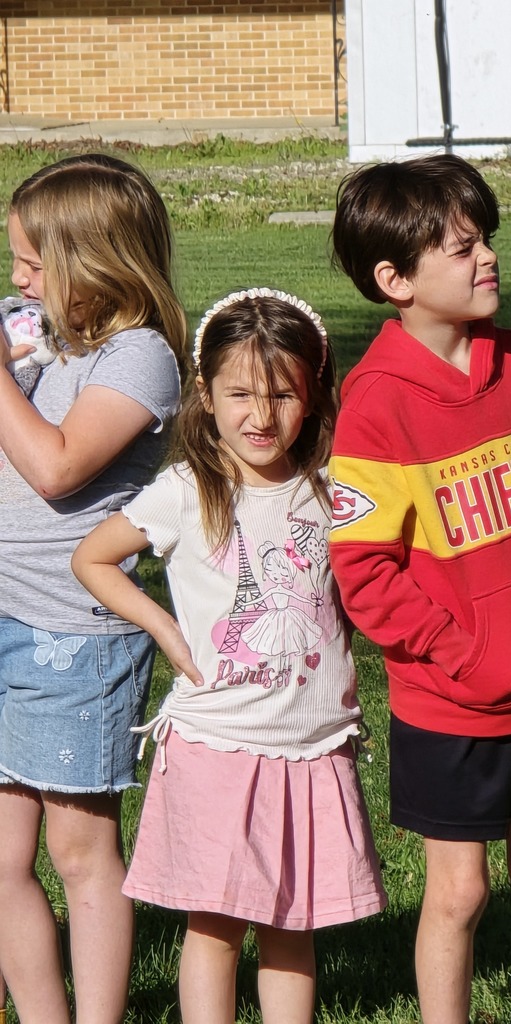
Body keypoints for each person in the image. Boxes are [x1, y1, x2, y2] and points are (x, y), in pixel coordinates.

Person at [329, 154, 511, 1024]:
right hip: (450, 701)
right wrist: (463, 652)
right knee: (459, 895)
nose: (487, 258)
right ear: (394, 279)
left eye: (486, 241)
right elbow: (365, 573)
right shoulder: (376, 402)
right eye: (461, 247)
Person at [72, 288, 386, 1024]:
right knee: (213, 927)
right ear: (205, 397)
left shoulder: (334, 490)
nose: (261, 414)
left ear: (312, 396)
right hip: (217, 747)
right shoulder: (186, 491)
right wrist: (165, 630)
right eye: (240, 393)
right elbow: (94, 558)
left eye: (283, 393)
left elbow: (392, 557)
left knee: (291, 928)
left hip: (313, 748)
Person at [0, 153, 187, 1024]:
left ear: (94, 263)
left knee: (80, 851)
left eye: (34, 266)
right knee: (3, 855)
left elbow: (55, 466)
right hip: (3, 616)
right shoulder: (44, 343)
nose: (17, 280)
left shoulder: (140, 358)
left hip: (75, 635)